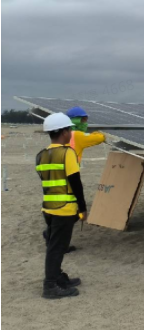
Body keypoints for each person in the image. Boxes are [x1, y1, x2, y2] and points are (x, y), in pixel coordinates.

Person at [35, 113, 87, 299]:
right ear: (64, 132)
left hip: (48, 207)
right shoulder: (67, 153)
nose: (71, 132)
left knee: (55, 245)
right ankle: (50, 286)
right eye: (69, 129)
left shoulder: (41, 155)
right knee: (57, 248)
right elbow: (75, 182)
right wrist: (82, 208)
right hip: (64, 209)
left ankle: (57, 277)